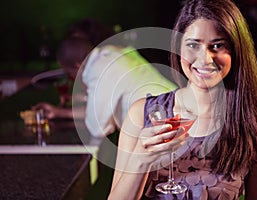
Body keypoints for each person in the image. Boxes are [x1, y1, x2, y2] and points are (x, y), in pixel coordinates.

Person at [108, 0, 257, 199]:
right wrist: (141, 159)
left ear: (236, 51)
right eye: (193, 45)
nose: (205, 59)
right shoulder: (141, 114)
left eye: (217, 46)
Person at [34, 36, 177, 138]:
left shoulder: (98, 69)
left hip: (166, 124)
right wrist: (59, 112)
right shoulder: (111, 52)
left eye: (68, 73)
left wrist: (61, 111)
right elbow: (101, 112)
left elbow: (97, 128)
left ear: (77, 66)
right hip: (178, 108)